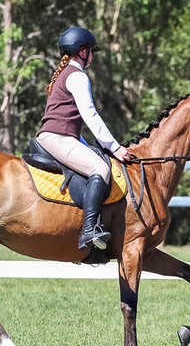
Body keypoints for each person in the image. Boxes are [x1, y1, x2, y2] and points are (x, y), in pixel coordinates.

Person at [36, 27, 132, 251]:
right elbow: (90, 114)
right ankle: (89, 230)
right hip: (58, 138)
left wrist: (92, 147)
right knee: (101, 169)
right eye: (91, 51)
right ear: (82, 51)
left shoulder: (64, 74)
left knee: (97, 160)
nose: (92, 56)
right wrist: (114, 147)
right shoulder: (77, 76)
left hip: (58, 137)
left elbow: (71, 122)